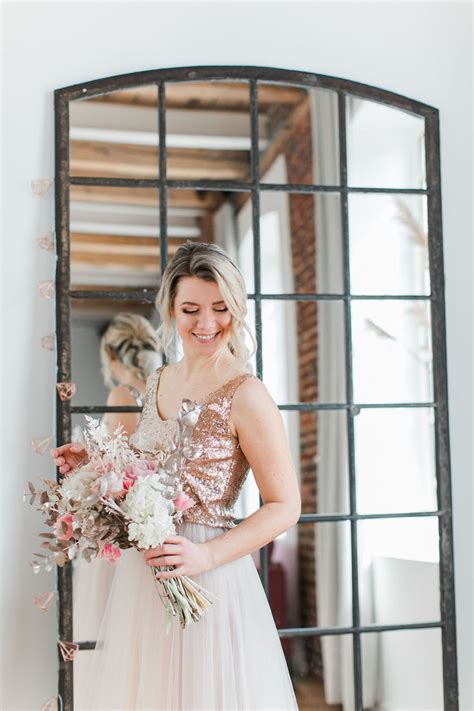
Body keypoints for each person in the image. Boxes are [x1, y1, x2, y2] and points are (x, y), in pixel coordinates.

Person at [51, 241, 301, 710]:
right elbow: (148, 468)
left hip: (210, 576)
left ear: (238, 309)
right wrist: (97, 463)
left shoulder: (248, 395)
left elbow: (286, 506)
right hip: (145, 574)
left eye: (221, 308)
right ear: (170, 308)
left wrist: (206, 556)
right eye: (190, 309)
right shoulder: (158, 382)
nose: (206, 324)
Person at [72, 313, 161, 706]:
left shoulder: (124, 394)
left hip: (127, 530)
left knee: (118, 634)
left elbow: (117, 470)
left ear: (111, 353)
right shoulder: (164, 393)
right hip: (152, 522)